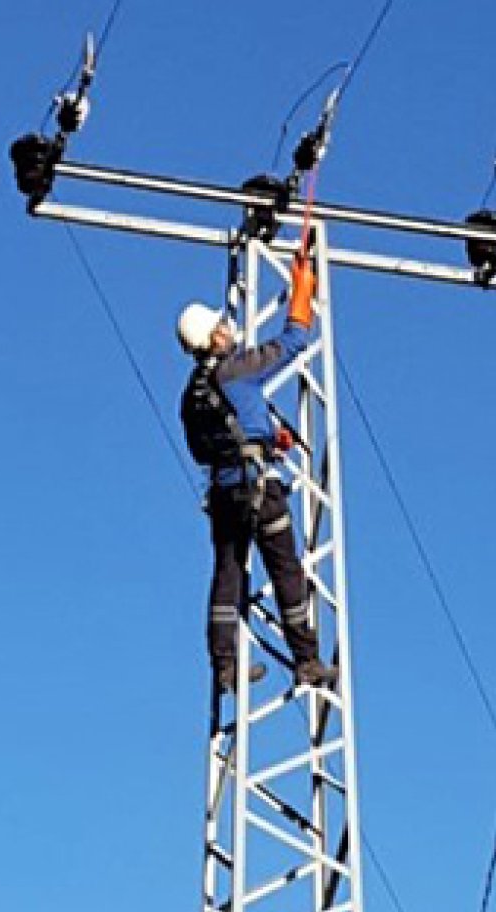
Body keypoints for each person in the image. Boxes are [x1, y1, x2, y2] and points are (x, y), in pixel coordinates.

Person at [177, 245, 338, 694]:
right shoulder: (236, 370)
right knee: (286, 571)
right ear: (213, 338)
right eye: (221, 326)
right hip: (258, 490)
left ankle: (224, 667)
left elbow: (201, 450)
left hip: (224, 493)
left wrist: (261, 436)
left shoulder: (191, 396)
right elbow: (293, 341)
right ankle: (307, 661)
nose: (228, 328)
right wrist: (302, 294)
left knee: (227, 575)